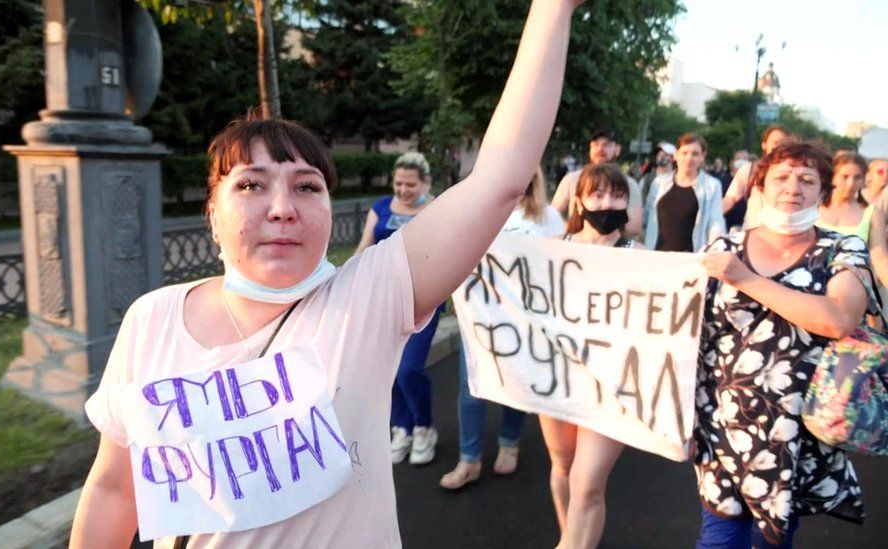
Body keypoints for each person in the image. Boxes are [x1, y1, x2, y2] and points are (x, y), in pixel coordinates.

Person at [69, 1, 586, 547]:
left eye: (306, 185)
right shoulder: (152, 320)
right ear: (212, 214)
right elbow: (114, 488)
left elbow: (501, 176)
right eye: (250, 184)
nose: (281, 207)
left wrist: (552, 9)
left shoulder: (370, 295)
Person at [697, 141, 874, 548]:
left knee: (771, 540)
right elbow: (691, 334)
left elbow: (837, 318)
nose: (793, 186)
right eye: (781, 177)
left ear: (822, 193)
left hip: (797, 431)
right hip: (723, 424)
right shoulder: (724, 249)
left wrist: (745, 280)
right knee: (719, 539)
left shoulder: (842, 250)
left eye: (807, 179)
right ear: (761, 186)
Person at [439, 168, 564, 490]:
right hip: (480, 315)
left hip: (525, 319)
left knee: (515, 387)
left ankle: (509, 443)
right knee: (472, 391)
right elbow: (455, 251)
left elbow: (559, 260)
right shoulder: (478, 209)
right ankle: (469, 460)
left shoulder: (547, 216)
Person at [539, 164, 642, 549]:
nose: (606, 203)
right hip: (559, 376)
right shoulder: (552, 250)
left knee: (588, 481)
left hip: (612, 384)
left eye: (616, 195)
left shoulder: (641, 256)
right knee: (563, 468)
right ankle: (570, 535)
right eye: (597, 195)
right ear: (579, 200)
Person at [354, 152, 441, 465]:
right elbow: (365, 247)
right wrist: (347, 277)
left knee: (409, 368)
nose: (403, 190)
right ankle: (401, 427)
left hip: (423, 299)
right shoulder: (380, 208)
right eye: (398, 183)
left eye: (411, 184)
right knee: (387, 368)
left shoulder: (436, 209)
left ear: (426, 183)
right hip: (383, 298)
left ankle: (423, 426)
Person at [551, 129, 644, 237]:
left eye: (606, 145)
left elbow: (635, 227)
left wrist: (604, 228)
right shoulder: (572, 179)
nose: (600, 149)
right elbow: (552, 216)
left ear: (617, 149)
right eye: (596, 144)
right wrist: (578, 232)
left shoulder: (629, 184)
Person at [644, 132, 725, 251]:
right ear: (676, 155)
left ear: (703, 157)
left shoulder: (712, 186)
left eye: (695, 154)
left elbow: (716, 222)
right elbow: (646, 216)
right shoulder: (659, 183)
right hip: (656, 255)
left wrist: (715, 250)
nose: (689, 158)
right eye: (684, 153)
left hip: (692, 258)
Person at [817, 153, 888, 287]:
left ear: (864, 179)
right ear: (833, 176)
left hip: (851, 288)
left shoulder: (872, 213)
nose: (851, 183)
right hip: (811, 283)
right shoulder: (814, 205)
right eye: (845, 177)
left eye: (857, 177)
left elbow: (880, 258)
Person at [722, 126, 792, 229]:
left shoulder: (795, 174)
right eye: (775, 142)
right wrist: (711, 217)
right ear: (764, 145)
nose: (779, 146)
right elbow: (730, 199)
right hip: (752, 234)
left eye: (784, 143)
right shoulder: (749, 170)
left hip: (783, 236)